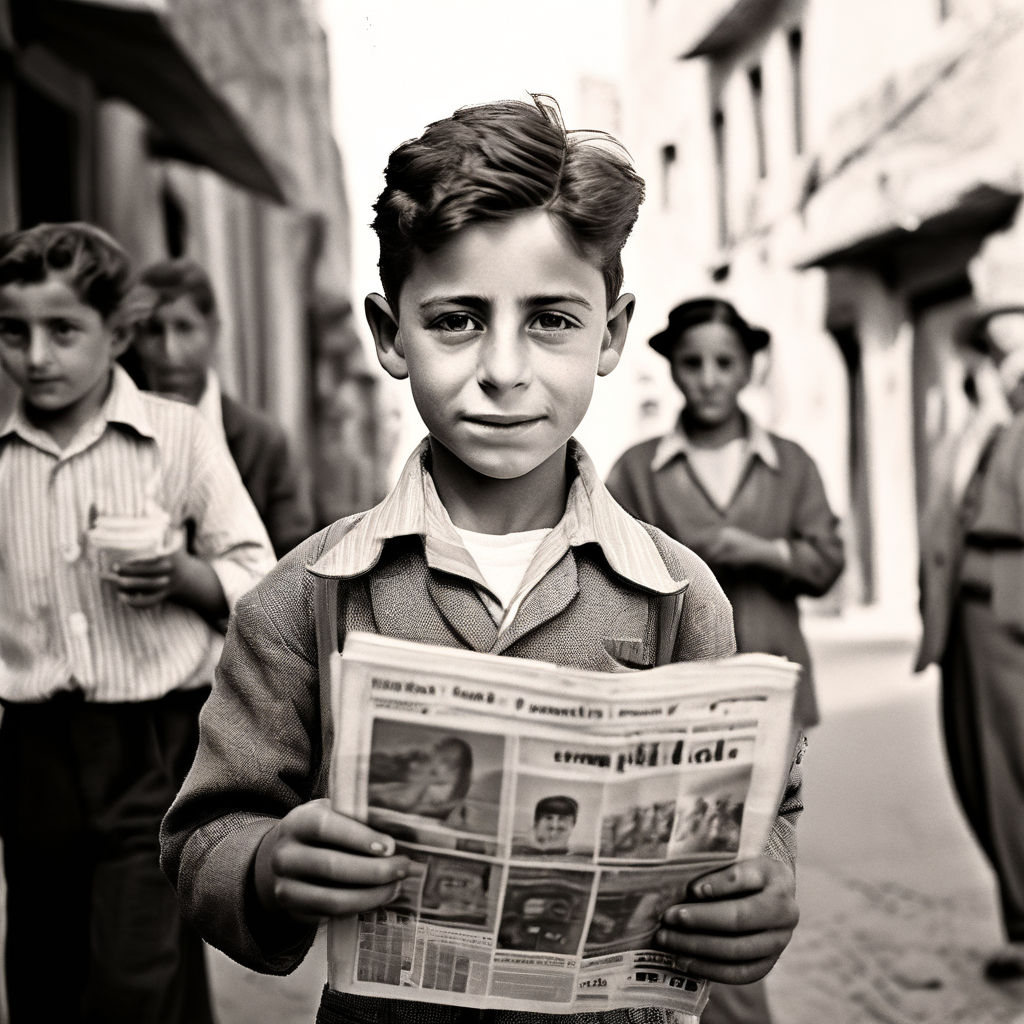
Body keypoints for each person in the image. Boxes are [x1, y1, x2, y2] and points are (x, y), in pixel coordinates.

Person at [160, 96, 804, 1024]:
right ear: (390, 335)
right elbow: (202, 836)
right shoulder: (306, 594)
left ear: (613, 334)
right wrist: (268, 864)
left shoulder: (676, 591)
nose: (504, 369)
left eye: (551, 321)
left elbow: (763, 806)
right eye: (458, 320)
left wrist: (764, 889)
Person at [0, 222, 276, 1023]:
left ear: (116, 333)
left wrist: (188, 576)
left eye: (63, 331)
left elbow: (257, 577)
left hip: (153, 748)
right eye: (14, 333)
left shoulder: (178, 435)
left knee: (132, 975)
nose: (38, 356)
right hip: (33, 746)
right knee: (44, 969)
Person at [606, 296, 844, 732]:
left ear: (749, 369)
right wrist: (677, 565)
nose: (709, 380)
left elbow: (827, 563)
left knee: (777, 800)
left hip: (773, 678)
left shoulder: (792, 463)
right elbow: (606, 577)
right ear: (672, 369)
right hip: (675, 689)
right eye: (692, 364)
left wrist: (763, 552)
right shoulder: (636, 470)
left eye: (725, 363)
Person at [917, 305, 1024, 981]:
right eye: (1001, 348)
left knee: (1012, 765)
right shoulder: (972, 435)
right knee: (982, 769)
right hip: (968, 613)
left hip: (1008, 598)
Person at [132, 257, 315, 559]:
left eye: (185, 328)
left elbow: (294, 559)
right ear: (133, 338)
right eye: (153, 331)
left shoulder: (262, 441)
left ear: (213, 331)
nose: (169, 350)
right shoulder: (117, 429)